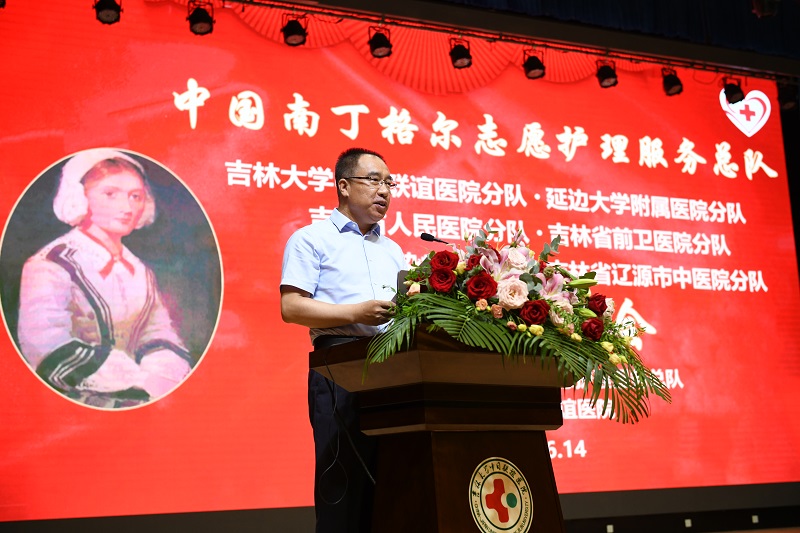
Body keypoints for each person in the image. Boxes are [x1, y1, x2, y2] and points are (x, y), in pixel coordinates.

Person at [280, 148, 407, 533]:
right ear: (344, 186)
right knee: (343, 486)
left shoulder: (394, 251)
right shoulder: (311, 239)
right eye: (374, 180)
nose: (384, 190)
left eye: (389, 183)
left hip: (393, 371)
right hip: (339, 369)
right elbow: (291, 307)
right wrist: (356, 313)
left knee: (391, 487)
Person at [17, 148, 193, 409]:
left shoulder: (140, 270)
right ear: (80, 198)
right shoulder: (51, 264)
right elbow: (45, 347)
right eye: (110, 194)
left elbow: (158, 332)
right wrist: (138, 380)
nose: (127, 208)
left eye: (135, 196)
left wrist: (160, 374)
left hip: (142, 403)